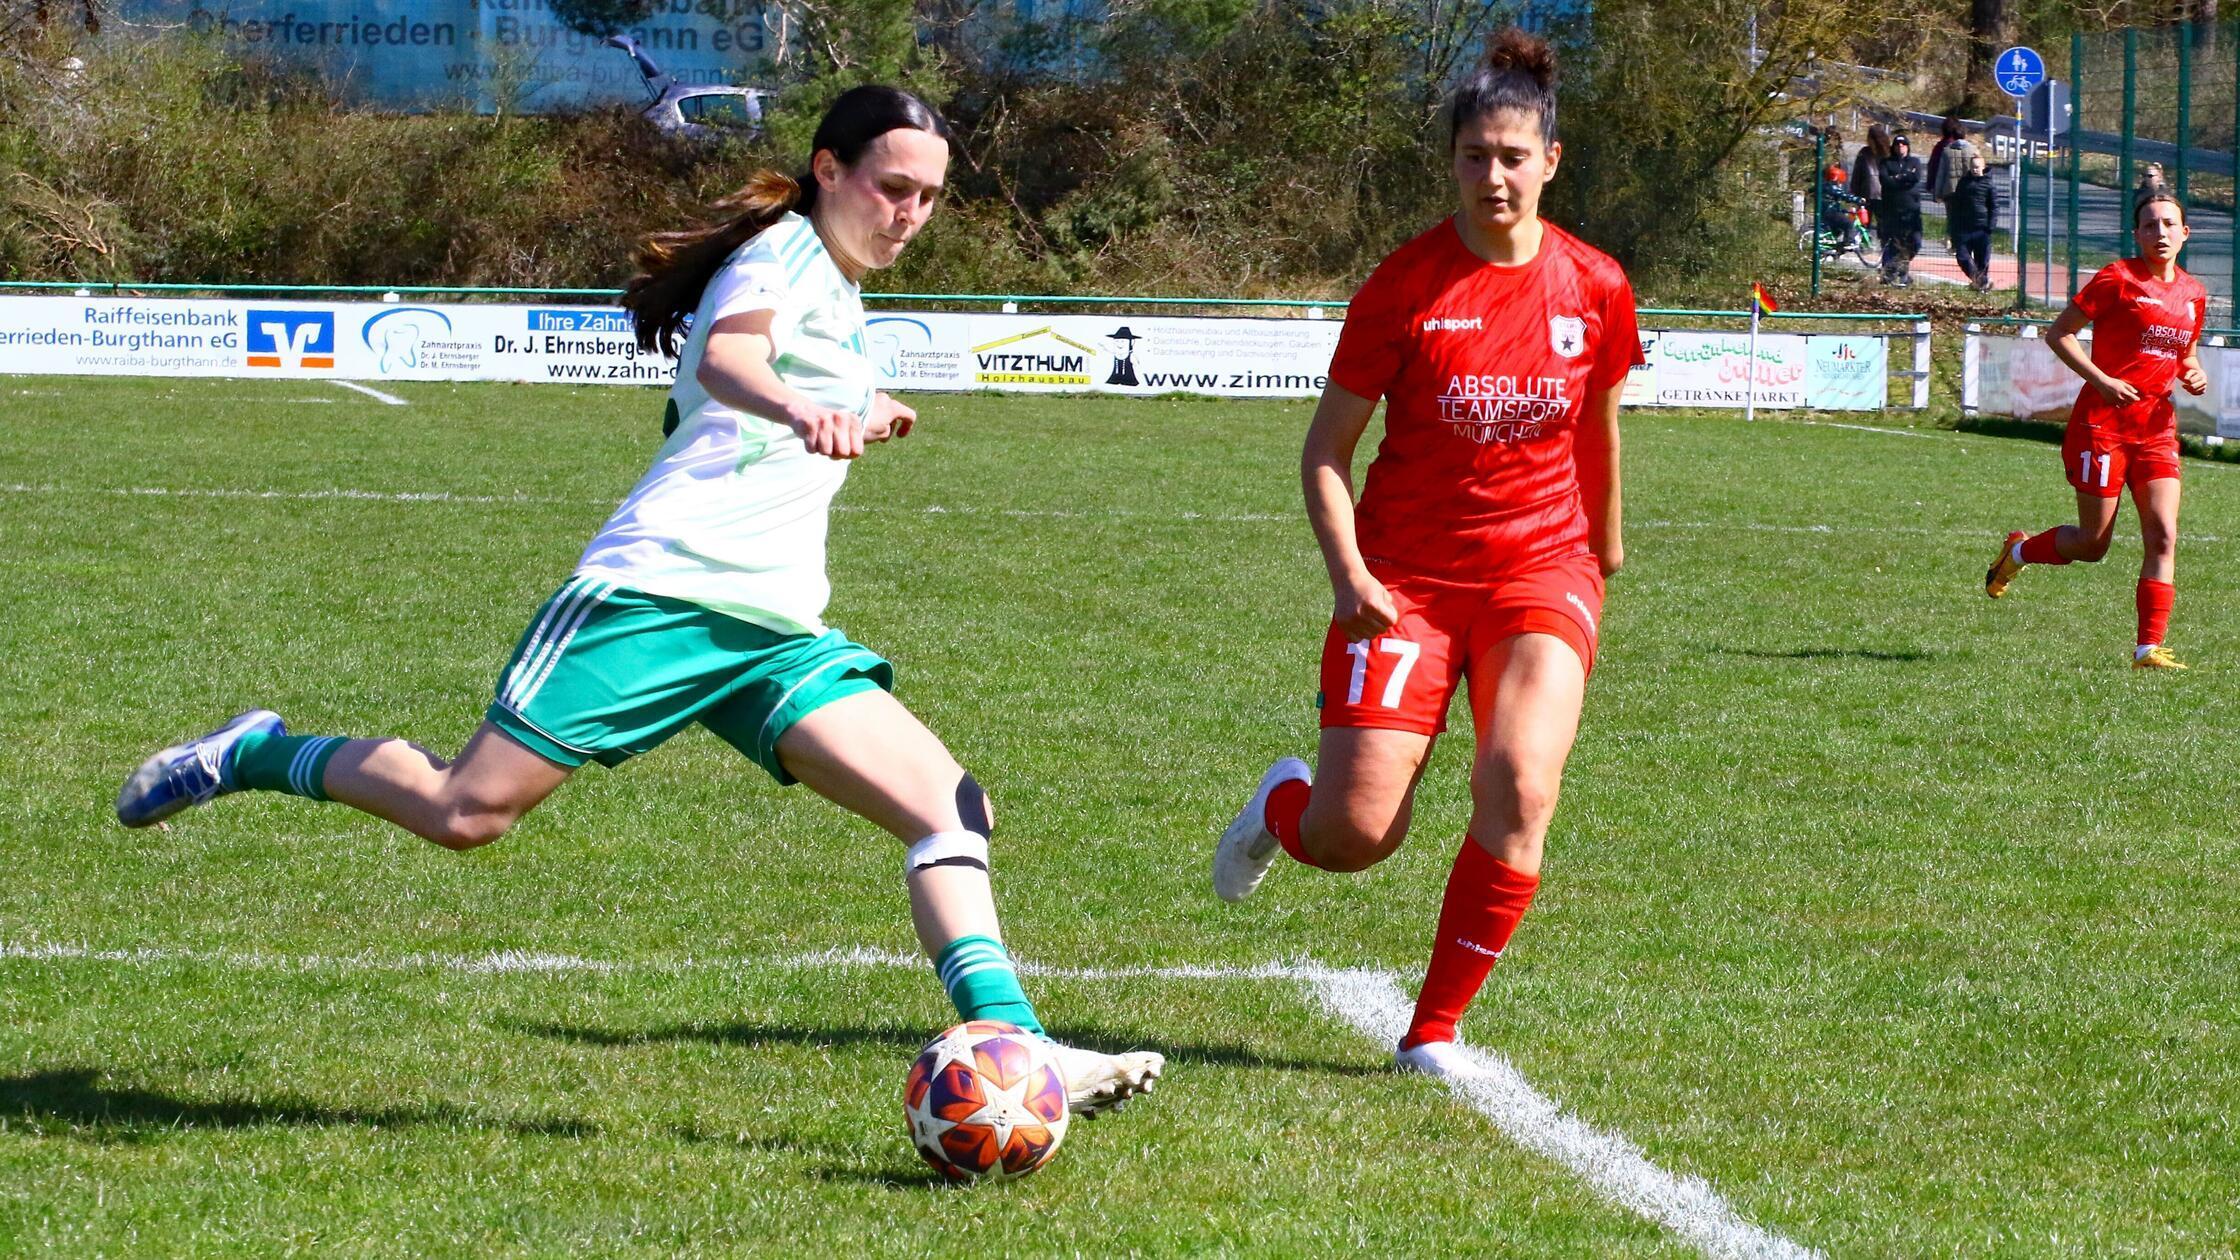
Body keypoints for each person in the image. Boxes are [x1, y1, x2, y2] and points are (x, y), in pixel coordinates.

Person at [113, 85, 1164, 1112]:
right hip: (657, 594)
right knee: (463, 812)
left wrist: (860, 404)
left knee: (948, 806)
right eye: (892, 188)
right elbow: (731, 356)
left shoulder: (839, 291)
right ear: (828, 170)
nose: (910, 215)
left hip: (771, 628)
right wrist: (804, 405)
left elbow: (760, 377)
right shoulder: (783, 252)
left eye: (929, 199)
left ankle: (1016, 1043)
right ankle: (253, 751)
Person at [1210, 27, 1640, 1082]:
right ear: (1449, 161)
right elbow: (1324, 454)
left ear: (1549, 159)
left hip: (1542, 566)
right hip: (1402, 580)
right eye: (1471, 156)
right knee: (1355, 835)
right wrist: (1350, 577)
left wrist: (1607, 541)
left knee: (1519, 783)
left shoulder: (1593, 285)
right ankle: (1281, 806)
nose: (1490, 176)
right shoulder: (1404, 287)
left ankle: (1432, 1030)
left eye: (1510, 155)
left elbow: (1598, 424)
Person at [1984, 193, 2207, 670]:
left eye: (2170, 224)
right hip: (2101, 425)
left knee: (2164, 535)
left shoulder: (2193, 293)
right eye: (2150, 225)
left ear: (2185, 233)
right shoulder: (2117, 279)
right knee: (2093, 544)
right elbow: (2059, 333)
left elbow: (2186, 353)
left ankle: (2148, 648)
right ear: (2137, 234)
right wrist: (2102, 380)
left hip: (2155, 427)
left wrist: (2193, 371)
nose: (2161, 233)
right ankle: (2018, 552)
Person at [1946, 149, 1999, 290]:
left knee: (1982, 261)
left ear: (1983, 168)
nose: (1975, 170)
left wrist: (1990, 226)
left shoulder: (1989, 185)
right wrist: (1952, 227)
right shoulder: (1963, 183)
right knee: (1963, 257)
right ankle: (1982, 282)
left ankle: (1980, 286)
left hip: (1982, 229)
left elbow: (1994, 207)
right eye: (1973, 167)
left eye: (1977, 167)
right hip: (1964, 228)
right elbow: (1956, 205)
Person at [1877, 133, 1925, 285]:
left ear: (1908, 147)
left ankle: (1895, 269)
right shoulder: (1886, 162)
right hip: (1892, 210)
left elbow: (1915, 178)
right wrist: (1903, 178)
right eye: (1897, 145)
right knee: (1894, 243)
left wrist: (1897, 178)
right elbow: (1885, 180)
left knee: (1915, 242)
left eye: (1903, 144)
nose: (1900, 147)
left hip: (1911, 211)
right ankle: (1895, 275)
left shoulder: (1914, 162)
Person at [1851, 123, 1891, 245]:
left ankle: (1883, 246)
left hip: (1879, 194)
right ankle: (1866, 246)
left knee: (1882, 223)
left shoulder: (1887, 154)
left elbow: (1857, 175)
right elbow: (1857, 174)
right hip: (1867, 193)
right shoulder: (1865, 153)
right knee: (1865, 222)